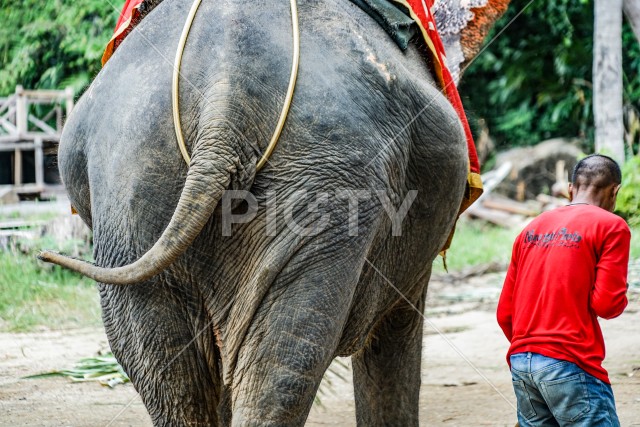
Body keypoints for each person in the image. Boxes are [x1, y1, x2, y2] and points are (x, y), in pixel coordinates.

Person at [497, 154, 630, 426]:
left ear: (571, 189)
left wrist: (533, 352)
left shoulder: (530, 229)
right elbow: (607, 305)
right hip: (571, 362)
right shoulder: (611, 226)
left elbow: (504, 314)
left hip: (523, 363)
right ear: (614, 191)